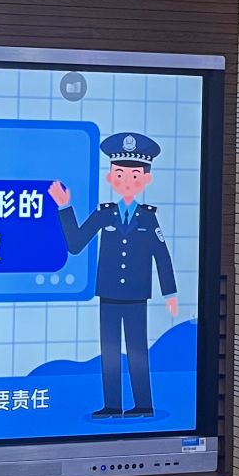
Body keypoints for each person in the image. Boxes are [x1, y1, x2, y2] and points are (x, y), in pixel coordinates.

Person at [49, 133, 177, 419]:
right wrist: (64, 207)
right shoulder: (104, 214)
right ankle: (112, 405)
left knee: (137, 350)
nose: (126, 181)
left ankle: (143, 405)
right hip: (108, 293)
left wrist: (170, 293)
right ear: (110, 177)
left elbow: (162, 255)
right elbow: (76, 243)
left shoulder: (148, 217)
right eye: (120, 174)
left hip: (136, 295)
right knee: (109, 350)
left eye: (134, 175)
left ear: (146, 179)